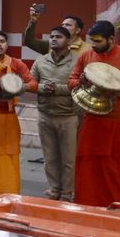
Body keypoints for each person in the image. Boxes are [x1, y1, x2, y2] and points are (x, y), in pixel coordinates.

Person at [68, 20, 120, 207]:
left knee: (119, 167)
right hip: (93, 120)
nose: (93, 45)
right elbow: (71, 80)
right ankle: (88, 204)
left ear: (111, 39)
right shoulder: (86, 55)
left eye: (98, 41)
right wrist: (81, 82)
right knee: (89, 165)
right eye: (91, 41)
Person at [0, 29, 37, 197]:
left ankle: (9, 191)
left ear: (7, 44)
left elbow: (33, 84)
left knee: (9, 154)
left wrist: (18, 86)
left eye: (2, 41)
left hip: (8, 117)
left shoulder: (16, 63)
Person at [30, 26, 79, 201]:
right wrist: (43, 87)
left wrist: (56, 89)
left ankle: (66, 192)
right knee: (49, 156)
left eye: (58, 36)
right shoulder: (41, 61)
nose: (53, 39)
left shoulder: (77, 62)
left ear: (69, 41)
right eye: (51, 36)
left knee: (68, 158)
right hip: (45, 114)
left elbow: (81, 86)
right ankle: (53, 189)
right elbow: (30, 83)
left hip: (68, 116)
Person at [24, 8, 90, 56]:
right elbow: (29, 42)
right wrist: (33, 21)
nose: (63, 27)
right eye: (62, 25)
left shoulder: (88, 49)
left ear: (77, 30)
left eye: (68, 25)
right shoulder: (52, 44)